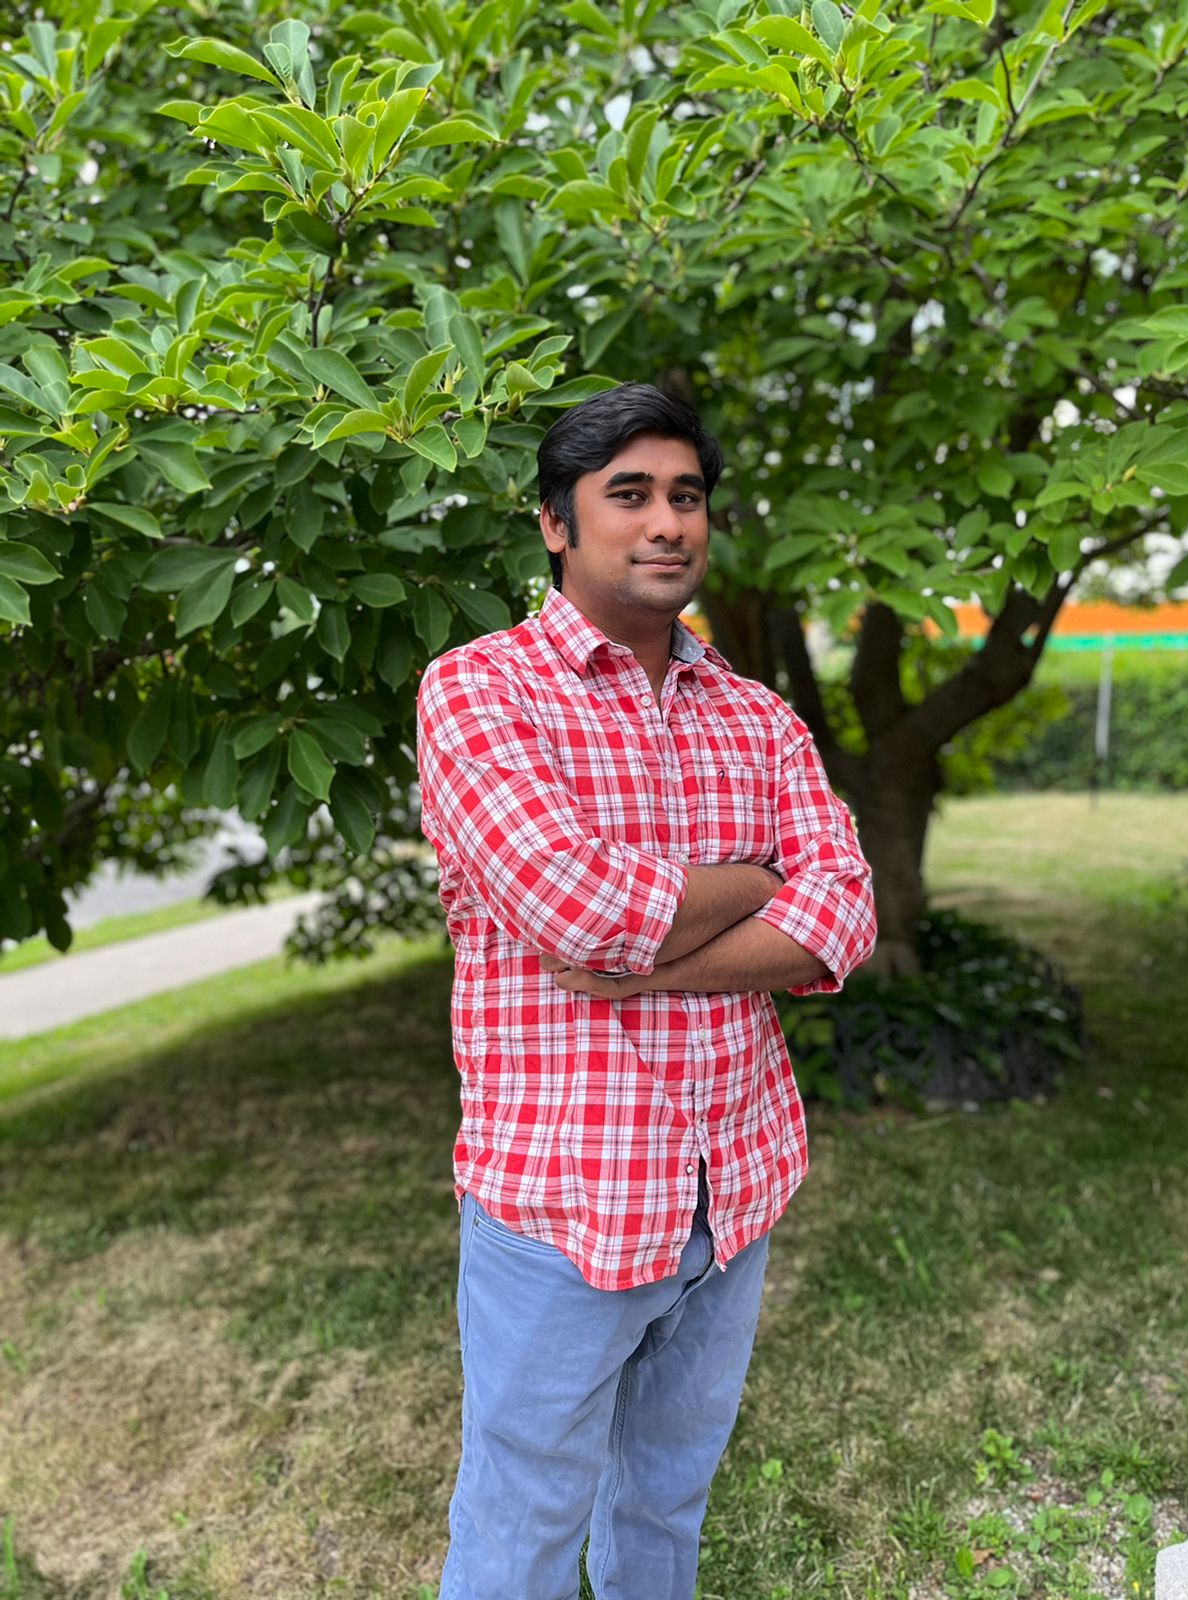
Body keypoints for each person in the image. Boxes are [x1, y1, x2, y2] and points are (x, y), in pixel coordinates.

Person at [416, 382, 876, 1600]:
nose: (667, 521)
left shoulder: (759, 717)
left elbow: (844, 913)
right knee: (519, 1524)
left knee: (667, 1500)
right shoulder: (478, 692)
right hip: (567, 1199)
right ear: (555, 523)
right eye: (629, 494)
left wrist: (649, 958)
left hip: (736, 1180)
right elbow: (572, 905)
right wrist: (761, 883)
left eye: (687, 495)